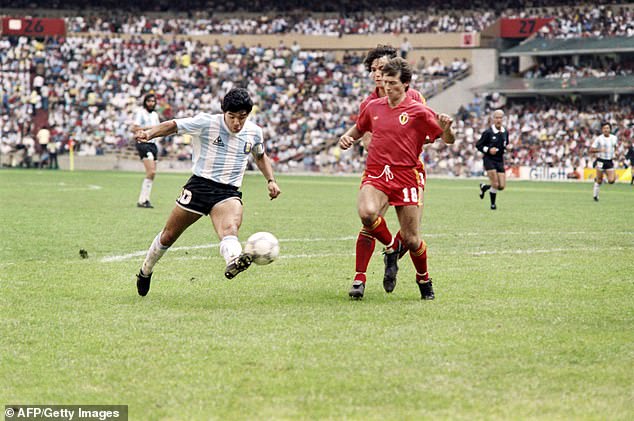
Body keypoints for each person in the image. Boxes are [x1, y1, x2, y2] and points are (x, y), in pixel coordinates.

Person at [132, 88, 281, 297]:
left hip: (228, 192)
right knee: (169, 235)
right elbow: (173, 126)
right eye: (232, 117)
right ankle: (145, 271)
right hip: (199, 186)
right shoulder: (207, 123)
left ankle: (234, 260)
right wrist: (149, 133)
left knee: (229, 229)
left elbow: (260, 156)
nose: (237, 123)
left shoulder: (254, 132)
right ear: (224, 113)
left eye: (242, 117)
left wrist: (271, 180)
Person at [339, 57, 455, 300]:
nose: (387, 87)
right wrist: (347, 137)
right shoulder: (373, 107)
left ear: (406, 85)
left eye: (393, 83)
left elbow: (447, 139)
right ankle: (392, 247)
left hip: (406, 176)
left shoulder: (419, 111)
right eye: (386, 82)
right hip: (378, 172)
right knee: (367, 213)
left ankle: (424, 279)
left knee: (412, 240)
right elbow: (359, 128)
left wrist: (446, 128)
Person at [358, 45, 427, 295]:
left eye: (383, 68)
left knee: (411, 235)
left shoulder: (415, 98)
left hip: (410, 171)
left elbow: (424, 131)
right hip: (381, 171)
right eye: (374, 69)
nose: (378, 73)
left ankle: (393, 258)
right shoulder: (369, 104)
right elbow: (365, 138)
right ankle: (360, 279)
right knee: (369, 220)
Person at [132, 93, 161, 208]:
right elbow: (134, 128)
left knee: (152, 174)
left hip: (153, 145)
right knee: (151, 172)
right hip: (144, 144)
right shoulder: (141, 113)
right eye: (149, 101)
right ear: (145, 102)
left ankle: (144, 199)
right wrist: (149, 128)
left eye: (153, 101)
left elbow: (159, 128)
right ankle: (142, 200)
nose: (151, 103)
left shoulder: (155, 115)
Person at [476, 109, 509, 210]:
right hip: (489, 159)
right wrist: (488, 150)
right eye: (496, 117)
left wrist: (507, 148)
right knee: (495, 183)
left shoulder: (505, 132)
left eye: (500, 118)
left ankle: (485, 187)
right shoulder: (488, 132)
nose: (498, 120)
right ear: (493, 119)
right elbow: (478, 145)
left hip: (499, 160)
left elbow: (505, 144)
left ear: (503, 119)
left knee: (501, 186)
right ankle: (493, 205)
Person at [589, 121, 619, 201]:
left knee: (611, 181)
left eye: (607, 128)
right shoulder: (599, 139)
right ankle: (595, 196)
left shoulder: (614, 138)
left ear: (610, 129)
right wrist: (599, 150)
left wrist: (616, 152)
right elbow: (591, 150)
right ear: (602, 130)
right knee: (599, 180)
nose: (606, 130)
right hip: (600, 161)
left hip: (609, 161)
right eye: (604, 128)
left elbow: (615, 147)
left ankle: (603, 179)